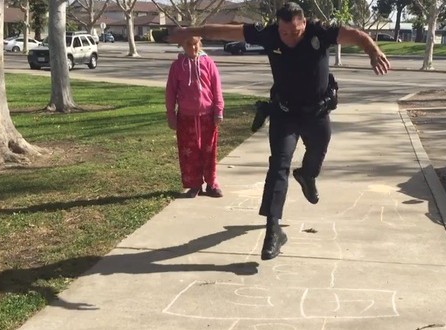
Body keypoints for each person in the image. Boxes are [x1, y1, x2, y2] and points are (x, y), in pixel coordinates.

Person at [167, 1, 390, 260]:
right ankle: (273, 231)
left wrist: (372, 50)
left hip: (317, 113)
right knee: (278, 167)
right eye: (284, 33)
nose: (289, 38)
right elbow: (224, 31)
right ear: (278, 27)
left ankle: (307, 175)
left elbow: (357, 35)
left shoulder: (320, 31)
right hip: (284, 112)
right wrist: (188, 32)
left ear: (303, 23)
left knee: (317, 150)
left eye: (295, 32)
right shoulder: (269, 33)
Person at [165, 36, 224, 199]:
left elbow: (216, 88)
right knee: (189, 153)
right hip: (186, 117)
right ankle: (194, 184)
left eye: (196, 44)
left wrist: (219, 110)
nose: (193, 48)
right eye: (189, 45)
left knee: (209, 150)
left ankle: (212, 184)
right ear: (182, 45)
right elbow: (170, 92)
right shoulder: (177, 66)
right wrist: (171, 114)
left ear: (200, 43)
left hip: (207, 116)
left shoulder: (209, 63)